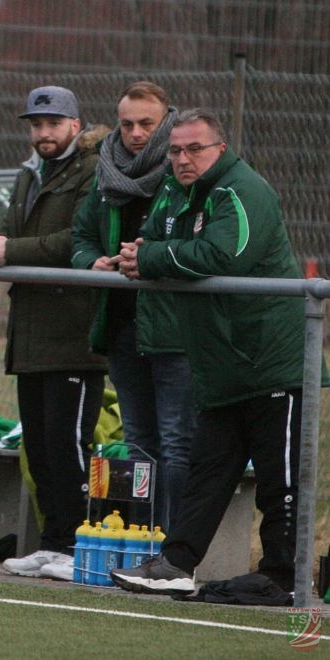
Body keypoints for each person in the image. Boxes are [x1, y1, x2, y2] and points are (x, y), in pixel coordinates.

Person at [110, 109, 310, 595]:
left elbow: (224, 254)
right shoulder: (175, 195)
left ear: (220, 149)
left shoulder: (243, 191)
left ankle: (283, 577)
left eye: (194, 149)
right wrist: (140, 257)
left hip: (269, 362)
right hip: (222, 366)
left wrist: (154, 259)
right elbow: (150, 243)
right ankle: (176, 565)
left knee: (278, 481)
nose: (182, 159)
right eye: (175, 150)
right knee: (207, 472)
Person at [0, 86, 108, 581]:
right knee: (38, 444)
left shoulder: (94, 171)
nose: (43, 133)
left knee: (68, 442)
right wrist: (1, 244)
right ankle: (54, 542)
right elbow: (6, 230)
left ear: (75, 126)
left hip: (73, 331)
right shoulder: (29, 172)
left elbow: (76, 241)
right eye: (36, 125)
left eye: (52, 124)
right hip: (31, 330)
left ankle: (81, 543)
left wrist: (11, 250)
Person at [71, 81, 194, 534]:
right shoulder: (107, 173)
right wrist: (93, 261)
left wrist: (150, 258)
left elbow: (200, 244)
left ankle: (177, 546)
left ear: (166, 121)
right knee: (140, 442)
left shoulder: (184, 169)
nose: (136, 133)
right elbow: (81, 235)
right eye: (127, 124)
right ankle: (143, 537)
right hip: (123, 326)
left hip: (173, 331)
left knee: (177, 441)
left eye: (147, 123)